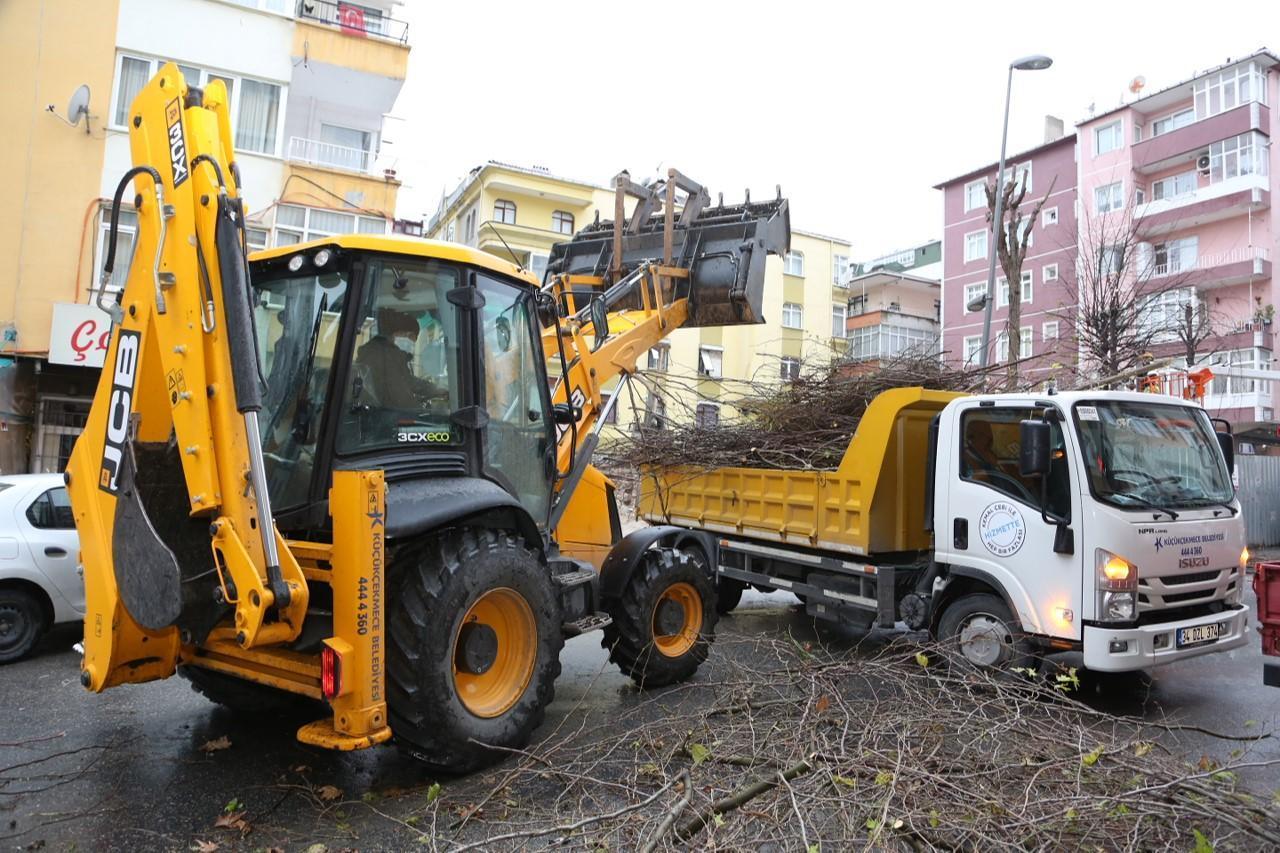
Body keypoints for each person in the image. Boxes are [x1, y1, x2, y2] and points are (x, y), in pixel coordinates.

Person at [355, 307, 446, 410]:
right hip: (385, 416)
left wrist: (435, 390)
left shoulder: (375, 352)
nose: (412, 344)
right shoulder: (388, 356)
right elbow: (400, 395)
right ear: (399, 332)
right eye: (410, 336)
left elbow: (408, 381)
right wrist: (422, 412)